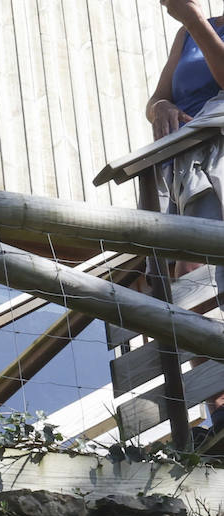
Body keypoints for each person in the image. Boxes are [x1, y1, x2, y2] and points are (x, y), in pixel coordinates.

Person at [148, 0, 224, 432]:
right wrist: (160, 107)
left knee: (208, 278)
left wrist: (193, 19)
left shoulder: (195, 25)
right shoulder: (190, 33)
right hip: (188, 167)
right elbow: (158, 97)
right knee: (192, 284)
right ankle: (217, 401)